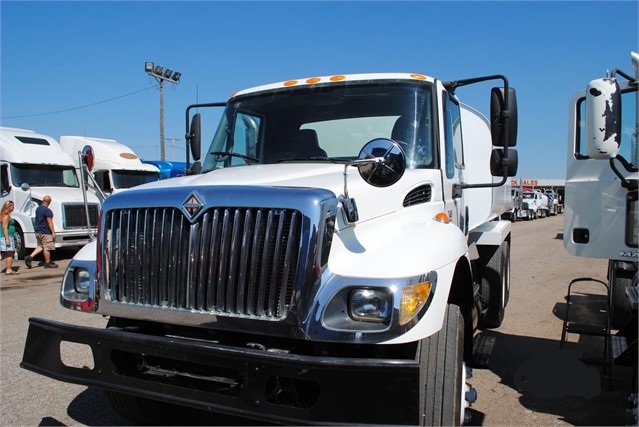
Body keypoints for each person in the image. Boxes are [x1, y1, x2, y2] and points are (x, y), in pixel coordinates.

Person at [24, 195, 58, 269]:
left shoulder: (38, 209)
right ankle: (47, 263)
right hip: (45, 231)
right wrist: (53, 232)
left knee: (41, 246)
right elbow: (50, 222)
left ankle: (30, 257)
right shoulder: (47, 211)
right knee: (47, 247)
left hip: (38, 231)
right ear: (49, 202)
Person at [0, 200, 19, 274]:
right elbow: (5, 227)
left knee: (5, 254)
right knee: (10, 253)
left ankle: (8, 268)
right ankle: (9, 269)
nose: (13, 207)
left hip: (5, 236)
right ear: (8, 207)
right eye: (12, 206)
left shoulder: (3, 215)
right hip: (6, 237)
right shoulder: (6, 216)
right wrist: (7, 238)